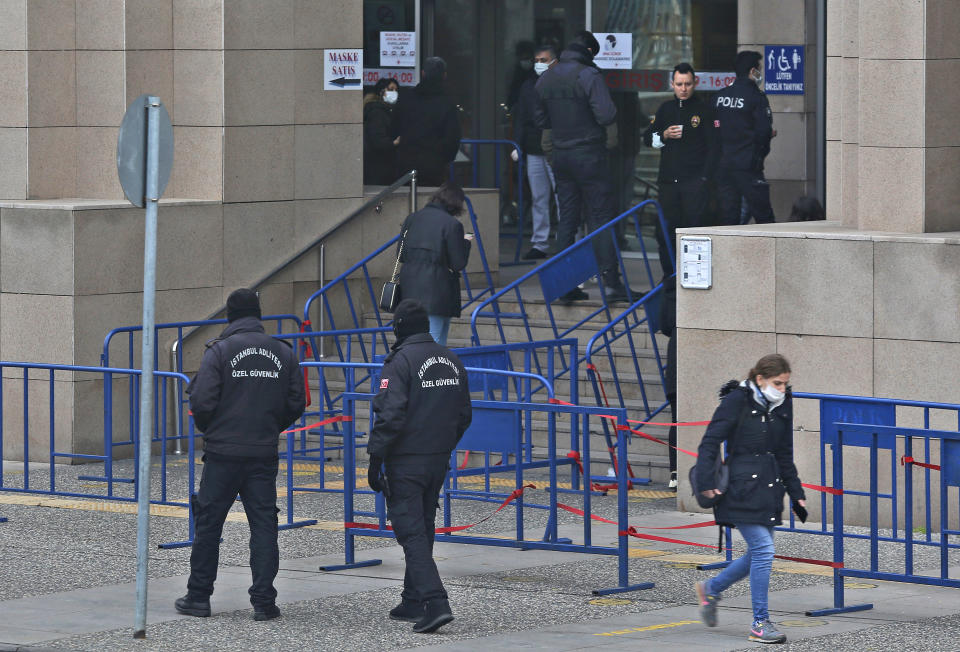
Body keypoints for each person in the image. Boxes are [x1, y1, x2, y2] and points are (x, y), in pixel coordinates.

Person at [175, 289, 306, 621]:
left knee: (209, 524)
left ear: (229, 316)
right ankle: (264, 601)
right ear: (258, 314)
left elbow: (201, 402)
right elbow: (296, 403)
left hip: (223, 453)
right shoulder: (284, 353)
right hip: (262, 452)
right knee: (264, 525)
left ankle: (198, 597)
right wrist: (270, 428)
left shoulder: (218, 352)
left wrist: (215, 431)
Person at [366, 299, 473, 633]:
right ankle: (412, 598)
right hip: (437, 459)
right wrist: (442, 446)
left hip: (407, 461)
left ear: (399, 328)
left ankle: (435, 601)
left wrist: (375, 457)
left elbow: (390, 414)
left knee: (411, 532)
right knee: (423, 527)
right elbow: (464, 415)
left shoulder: (401, 362)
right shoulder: (451, 360)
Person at [692, 353, 806, 644]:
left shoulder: (782, 403)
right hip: (739, 488)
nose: (782, 389)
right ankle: (760, 622)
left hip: (769, 488)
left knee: (757, 553)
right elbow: (710, 441)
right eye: (777, 383)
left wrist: (796, 493)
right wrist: (704, 482)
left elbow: (784, 451)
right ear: (760, 379)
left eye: (785, 384)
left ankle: (711, 589)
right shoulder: (736, 400)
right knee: (764, 550)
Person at [534, 30, 632, 304]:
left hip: (562, 157)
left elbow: (541, 120)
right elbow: (607, 114)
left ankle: (564, 286)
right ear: (590, 51)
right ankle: (612, 284)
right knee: (600, 218)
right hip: (589, 154)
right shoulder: (588, 75)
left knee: (567, 220)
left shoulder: (548, 77)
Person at [643, 62, 717, 275]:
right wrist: (664, 135)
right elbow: (648, 138)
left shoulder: (704, 110)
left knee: (693, 231)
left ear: (695, 83)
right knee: (665, 231)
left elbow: (714, 148)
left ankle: (694, 275)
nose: (683, 89)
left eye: (687, 84)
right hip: (668, 182)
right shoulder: (666, 109)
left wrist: (705, 179)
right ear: (672, 84)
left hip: (694, 182)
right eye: (679, 84)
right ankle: (669, 276)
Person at [397, 182, 472, 345]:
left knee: (416, 342)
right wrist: (466, 241)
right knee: (435, 343)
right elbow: (458, 263)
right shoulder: (452, 225)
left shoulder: (411, 219)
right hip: (438, 291)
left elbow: (400, 254)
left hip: (409, 288)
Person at [714, 50, 776, 226]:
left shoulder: (719, 97)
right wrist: (758, 159)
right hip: (748, 167)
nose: (761, 73)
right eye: (759, 69)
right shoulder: (756, 98)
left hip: (724, 166)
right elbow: (763, 132)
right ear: (752, 71)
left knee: (729, 218)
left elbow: (714, 130)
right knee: (764, 217)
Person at [513, 44, 559, 260]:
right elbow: (521, 117)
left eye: (544, 59)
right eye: (537, 60)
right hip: (533, 147)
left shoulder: (562, 83)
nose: (539, 64)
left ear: (554, 61)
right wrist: (517, 145)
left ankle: (566, 241)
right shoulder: (528, 85)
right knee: (539, 197)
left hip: (557, 148)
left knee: (563, 197)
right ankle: (540, 243)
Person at [393, 56, 461, 186]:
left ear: (423, 73)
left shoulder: (406, 98)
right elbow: (453, 137)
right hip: (434, 165)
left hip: (406, 163)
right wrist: (444, 158)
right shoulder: (447, 103)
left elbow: (394, 128)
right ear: (444, 75)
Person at [363, 77, 400, 185]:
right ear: (381, 91)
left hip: (379, 165)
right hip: (378, 165)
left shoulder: (385, 111)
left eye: (396, 90)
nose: (394, 93)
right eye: (391, 89)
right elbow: (377, 139)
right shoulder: (377, 112)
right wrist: (394, 143)